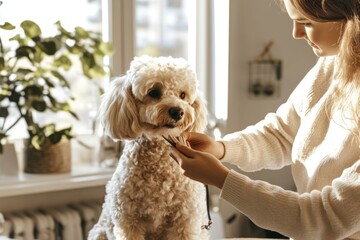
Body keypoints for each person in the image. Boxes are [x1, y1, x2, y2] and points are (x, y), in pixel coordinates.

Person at [170, 0, 360, 239]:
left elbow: (318, 219)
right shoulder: (333, 64)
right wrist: (221, 148)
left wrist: (221, 178)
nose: (296, 33)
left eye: (306, 23)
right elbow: (281, 134)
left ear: (351, 19)